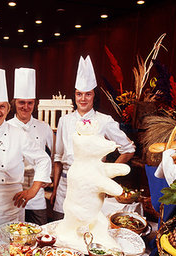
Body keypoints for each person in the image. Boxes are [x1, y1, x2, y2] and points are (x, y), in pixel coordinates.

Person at [51, 55, 135, 220]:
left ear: (94, 96)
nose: (82, 99)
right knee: (61, 227)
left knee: (88, 227)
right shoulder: (64, 121)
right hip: (65, 186)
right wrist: (54, 189)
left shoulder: (105, 121)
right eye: (79, 94)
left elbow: (129, 149)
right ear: (74, 96)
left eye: (87, 94)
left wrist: (105, 174)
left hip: (91, 184)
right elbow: (58, 159)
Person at [0, 68, 51, 227]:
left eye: (2, 107)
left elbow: (43, 159)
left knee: (13, 249)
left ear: (8, 108)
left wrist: (33, 190)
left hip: (11, 207)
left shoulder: (18, 134)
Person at [7, 68, 53, 225]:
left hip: (37, 193)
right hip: (12, 193)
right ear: (14, 103)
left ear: (35, 103)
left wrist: (49, 176)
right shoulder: (6, 127)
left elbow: (53, 155)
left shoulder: (44, 127)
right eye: (21, 102)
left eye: (29, 103)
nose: (25, 107)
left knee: (40, 233)